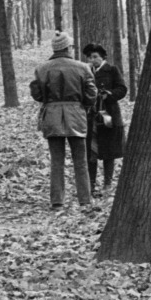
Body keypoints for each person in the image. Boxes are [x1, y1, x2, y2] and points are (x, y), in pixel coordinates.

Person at [30, 31, 97, 210]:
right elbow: (92, 95)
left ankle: (57, 201)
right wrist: (83, 105)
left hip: (51, 116)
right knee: (80, 160)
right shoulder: (83, 67)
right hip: (76, 115)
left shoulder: (41, 69)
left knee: (56, 161)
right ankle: (85, 200)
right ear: (68, 47)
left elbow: (36, 94)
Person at [82, 43, 127, 197]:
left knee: (109, 151)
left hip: (109, 115)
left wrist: (109, 94)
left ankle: (108, 182)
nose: (92, 60)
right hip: (91, 117)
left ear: (102, 58)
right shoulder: (86, 71)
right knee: (91, 151)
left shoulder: (112, 70)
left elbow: (122, 89)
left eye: (95, 57)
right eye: (90, 57)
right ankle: (92, 184)